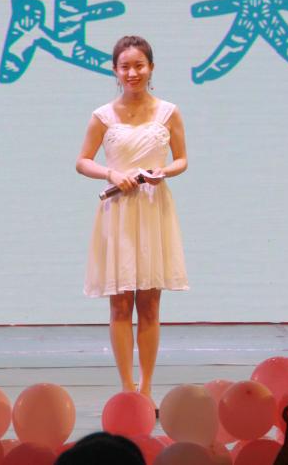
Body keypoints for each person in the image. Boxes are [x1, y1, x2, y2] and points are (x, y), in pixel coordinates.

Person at [76, 36, 188, 399]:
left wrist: (164, 172)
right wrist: (111, 173)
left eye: (139, 65)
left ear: (151, 67)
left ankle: (147, 387)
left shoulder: (168, 112)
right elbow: (83, 161)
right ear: (115, 70)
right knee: (121, 302)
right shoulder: (102, 116)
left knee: (150, 303)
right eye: (125, 66)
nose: (132, 72)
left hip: (153, 209)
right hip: (119, 211)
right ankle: (127, 388)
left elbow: (182, 159)